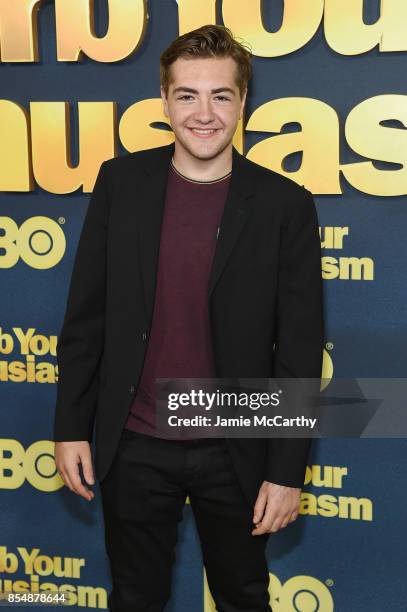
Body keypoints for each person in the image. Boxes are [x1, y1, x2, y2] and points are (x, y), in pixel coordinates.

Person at [54, 24, 324, 612]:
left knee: (243, 597)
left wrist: (287, 470)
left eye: (221, 96)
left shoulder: (284, 204)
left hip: (237, 446)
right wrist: (71, 425)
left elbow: (300, 349)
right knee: (134, 598)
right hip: (134, 443)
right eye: (187, 95)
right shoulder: (119, 183)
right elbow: (86, 316)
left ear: (243, 101)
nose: (204, 113)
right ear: (164, 99)